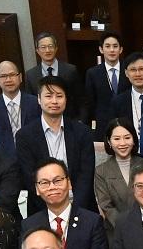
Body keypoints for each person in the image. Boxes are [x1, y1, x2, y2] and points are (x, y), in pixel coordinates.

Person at [17, 76, 97, 212]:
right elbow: (30, 178)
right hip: (42, 208)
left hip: (80, 205)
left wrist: (74, 210)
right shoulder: (24, 136)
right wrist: (53, 210)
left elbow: (86, 175)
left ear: (66, 99)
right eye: (48, 96)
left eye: (59, 96)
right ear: (39, 99)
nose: (54, 101)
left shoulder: (82, 132)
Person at [23, 157, 108, 249]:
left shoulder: (92, 221)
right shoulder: (29, 225)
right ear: (37, 189)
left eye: (57, 180)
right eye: (44, 182)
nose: (52, 187)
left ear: (69, 183)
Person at [0, 58, 43, 154]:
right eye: (3, 76)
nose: (8, 79)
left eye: (12, 75)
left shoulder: (35, 102)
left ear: (20, 77)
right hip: (5, 160)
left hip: (33, 155)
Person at [24, 29, 82, 120]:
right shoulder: (30, 75)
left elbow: (80, 99)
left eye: (50, 46)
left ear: (56, 48)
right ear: (37, 51)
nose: (47, 50)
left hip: (69, 120)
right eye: (43, 47)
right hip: (42, 122)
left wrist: (81, 121)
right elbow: (30, 104)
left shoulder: (71, 70)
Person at [93, 119, 141, 224]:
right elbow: (106, 206)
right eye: (117, 139)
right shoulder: (101, 171)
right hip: (116, 231)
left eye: (127, 138)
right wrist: (126, 227)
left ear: (134, 140)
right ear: (109, 142)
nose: (122, 143)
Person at [114, 52, 143, 157]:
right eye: (133, 70)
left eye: (142, 69)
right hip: (130, 158)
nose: (137, 74)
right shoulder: (118, 102)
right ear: (126, 73)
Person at [84, 30, 129, 121]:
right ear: (101, 49)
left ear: (121, 49)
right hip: (103, 123)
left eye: (115, 46)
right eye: (107, 46)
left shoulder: (129, 70)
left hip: (126, 120)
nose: (112, 50)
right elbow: (90, 103)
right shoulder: (92, 73)